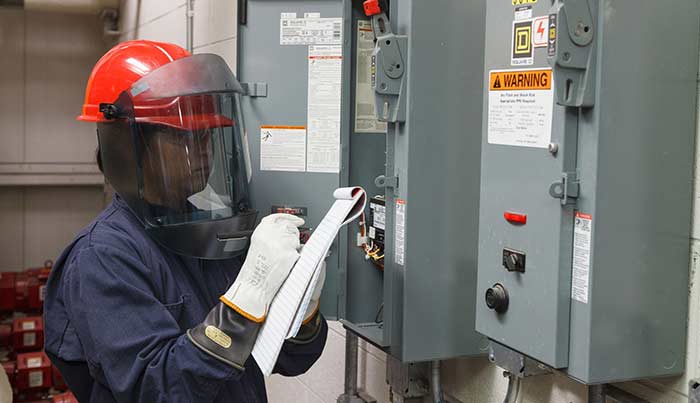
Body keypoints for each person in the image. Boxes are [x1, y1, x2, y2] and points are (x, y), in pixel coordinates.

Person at [43, 40, 328, 403]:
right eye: (182, 137)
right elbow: (157, 390)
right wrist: (246, 300)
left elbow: (293, 359)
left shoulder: (212, 232)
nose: (202, 152)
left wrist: (303, 304)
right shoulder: (103, 257)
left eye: (208, 136)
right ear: (128, 147)